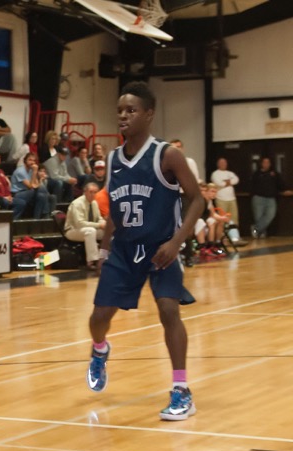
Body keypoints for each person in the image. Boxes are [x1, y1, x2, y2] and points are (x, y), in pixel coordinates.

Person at [86, 81, 204, 421]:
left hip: (160, 249)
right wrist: (106, 250)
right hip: (124, 250)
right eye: (120, 110)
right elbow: (117, 212)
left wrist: (176, 241)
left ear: (149, 114)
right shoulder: (112, 159)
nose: (123, 116)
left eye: (131, 110)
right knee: (98, 319)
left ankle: (181, 390)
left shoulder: (167, 154)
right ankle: (99, 350)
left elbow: (196, 198)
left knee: (169, 310)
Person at [65, 182, 106, 270]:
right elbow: (79, 223)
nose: (93, 194)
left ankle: (105, 257)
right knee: (91, 231)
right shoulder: (77, 203)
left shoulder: (94, 203)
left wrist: (103, 223)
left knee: (105, 232)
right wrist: (99, 225)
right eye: (91, 192)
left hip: (87, 228)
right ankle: (92, 261)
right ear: (85, 192)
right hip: (72, 230)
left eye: (95, 192)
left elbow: (99, 218)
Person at [249, 156, 293, 238]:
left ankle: (256, 229)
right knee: (258, 217)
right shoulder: (257, 174)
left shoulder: (274, 173)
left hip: (271, 198)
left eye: (268, 162)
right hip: (258, 198)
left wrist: (286, 190)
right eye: (264, 162)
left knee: (270, 215)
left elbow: (281, 184)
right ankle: (260, 233)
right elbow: (251, 185)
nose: (266, 164)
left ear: (270, 164)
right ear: (261, 164)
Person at [11, 153, 50, 219]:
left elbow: (36, 184)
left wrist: (40, 180)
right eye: (30, 160)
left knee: (42, 196)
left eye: (33, 160)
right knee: (38, 190)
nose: (32, 162)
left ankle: (36, 219)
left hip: (28, 192)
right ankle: (46, 214)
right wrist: (35, 171)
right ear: (25, 161)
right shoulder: (20, 171)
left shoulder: (31, 170)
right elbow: (30, 186)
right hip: (18, 193)